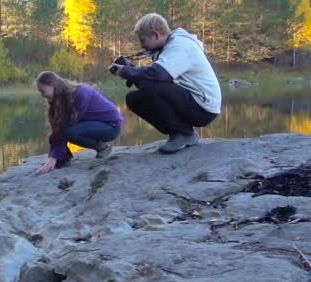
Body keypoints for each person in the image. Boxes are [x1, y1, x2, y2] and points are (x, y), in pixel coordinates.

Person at [110, 13, 222, 154]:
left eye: (143, 40)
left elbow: (158, 75)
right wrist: (131, 68)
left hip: (204, 108)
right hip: (193, 102)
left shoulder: (180, 45)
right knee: (133, 99)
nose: (142, 46)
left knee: (149, 85)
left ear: (155, 35)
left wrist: (128, 72)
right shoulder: (166, 48)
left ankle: (185, 135)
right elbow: (156, 82)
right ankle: (179, 133)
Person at [36, 71, 123, 174]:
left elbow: (64, 128)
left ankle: (103, 148)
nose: (42, 95)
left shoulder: (80, 94)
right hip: (95, 124)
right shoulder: (58, 99)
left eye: (42, 91)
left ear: (52, 85)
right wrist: (56, 157)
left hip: (111, 126)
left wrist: (54, 157)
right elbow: (57, 130)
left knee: (70, 132)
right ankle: (64, 158)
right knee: (68, 131)